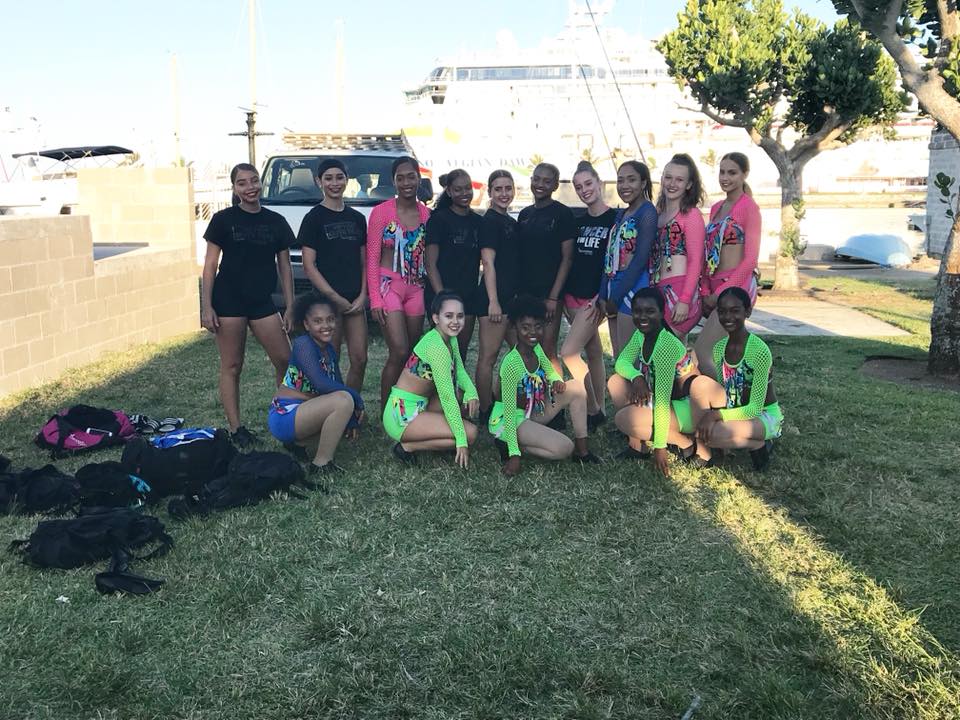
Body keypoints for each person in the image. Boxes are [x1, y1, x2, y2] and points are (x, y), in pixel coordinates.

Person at [201, 162, 295, 448]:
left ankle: (284, 417)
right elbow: (210, 265)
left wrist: (290, 306)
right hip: (228, 300)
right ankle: (236, 429)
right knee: (232, 365)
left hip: (261, 301)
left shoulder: (276, 221)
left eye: (254, 181)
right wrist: (206, 306)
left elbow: (285, 267)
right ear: (234, 188)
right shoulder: (222, 220)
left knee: (285, 360)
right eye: (242, 183)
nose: (250, 187)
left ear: (260, 183)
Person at [492, 295, 601, 476]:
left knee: (576, 386)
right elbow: (509, 412)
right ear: (514, 327)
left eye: (538, 326)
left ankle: (582, 450)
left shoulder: (536, 349)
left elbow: (550, 371)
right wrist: (514, 456)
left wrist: (556, 380)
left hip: (532, 410)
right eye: (525, 327)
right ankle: (510, 444)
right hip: (510, 420)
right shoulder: (511, 363)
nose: (532, 333)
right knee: (564, 448)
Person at [607, 288, 705, 476]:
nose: (643, 317)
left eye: (650, 311)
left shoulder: (665, 345)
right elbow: (622, 362)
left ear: (661, 313)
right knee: (616, 382)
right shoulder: (641, 334)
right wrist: (637, 377)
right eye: (637, 311)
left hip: (687, 408)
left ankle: (685, 442)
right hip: (668, 402)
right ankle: (638, 446)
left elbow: (662, 402)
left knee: (623, 419)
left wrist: (660, 448)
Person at [267, 293, 364, 476]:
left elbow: (336, 383)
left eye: (330, 319)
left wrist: (351, 418)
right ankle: (320, 465)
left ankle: (297, 444)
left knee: (345, 402)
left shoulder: (328, 350)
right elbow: (321, 384)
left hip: (306, 410)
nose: (325, 325)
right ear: (306, 324)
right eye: (317, 321)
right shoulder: (303, 344)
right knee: (343, 400)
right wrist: (356, 399)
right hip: (286, 415)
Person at [688, 286, 783, 471]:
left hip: (763, 415)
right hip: (737, 409)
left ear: (747, 312)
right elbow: (724, 390)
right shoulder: (719, 348)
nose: (728, 317)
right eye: (722, 311)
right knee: (702, 419)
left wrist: (715, 415)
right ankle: (711, 449)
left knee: (710, 433)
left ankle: (758, 444)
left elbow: (755, 408)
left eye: (735, 311)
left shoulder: (760, 352)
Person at [382, 291, 479, 468]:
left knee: (462, 398)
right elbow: (447, 396)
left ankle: (436, 434)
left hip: (422, 403)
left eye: (460, 316)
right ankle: (407, 446)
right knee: (470, 434)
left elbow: (459, 369)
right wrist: (461, 440)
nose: (455, 321)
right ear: (436, 318)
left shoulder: (449, 338)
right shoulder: (437, 347)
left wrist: (472, 392)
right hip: (401, 414)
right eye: (448, 316)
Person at [366, 156, 432, 409]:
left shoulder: (426, 214)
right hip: (388, 286)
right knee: (399, 350)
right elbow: (372, 258)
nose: (406, 183)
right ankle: (386, 412)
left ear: (419, 178)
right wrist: (375, 299)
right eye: (400, 178)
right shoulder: (381, 212)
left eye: (411, 177)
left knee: (412, 353)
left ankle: (406, 406)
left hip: (416, 288)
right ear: (393, 181)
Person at [298, 158, 368, 394]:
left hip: (355, 300)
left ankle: (352, 405)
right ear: (319, 181)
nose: (334, 183)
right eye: (328, 178)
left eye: (339, 177)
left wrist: (363, 295)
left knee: (360, 358)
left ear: (347, 180)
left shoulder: (357, 218)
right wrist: (334, 297)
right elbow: (309, 265)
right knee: (330, 359)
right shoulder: (313, 218)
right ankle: (332, 406)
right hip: (326, 301)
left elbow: (364, 262)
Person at [559, 161, 618, 429]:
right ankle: (600, 407)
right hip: (572, 295)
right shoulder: (578, 222)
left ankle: (593, 408)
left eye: (588, 184)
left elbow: (615, 262)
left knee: (569, 353)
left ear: (600, 184)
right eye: (579, 187)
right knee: (593, 350)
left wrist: (601, 296)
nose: (584, 190)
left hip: (594, 299)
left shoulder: (615, 219)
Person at [694, 152, 761, 378]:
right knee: (721, 354)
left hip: (735, 289)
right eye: (722, 172)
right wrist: (706, 291)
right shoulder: (716, 208)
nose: (725, 178)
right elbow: (707, 253)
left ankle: (723, 398)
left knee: (702, 352)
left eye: (732, 173)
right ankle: (732, 392)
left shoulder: (749, 208)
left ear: (744, 174)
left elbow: (750, 260)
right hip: (713, 288)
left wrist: (720, 294)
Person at [517, 162, 576, 371]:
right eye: (536, 179)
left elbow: (567, 258)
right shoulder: (524, 214)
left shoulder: (562, 214)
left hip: (549, 294)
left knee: (548, 351)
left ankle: (554, 391)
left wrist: (553, 297)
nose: (540, 184)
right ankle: (532, 390)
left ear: (555, 185)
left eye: (547, 181)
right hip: (525, 293)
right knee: (526, 349)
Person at [475, 169, 521, 420]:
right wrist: (493, 301)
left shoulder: (510, 222)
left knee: (520, 353)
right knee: (488, 357)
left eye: (508, 188)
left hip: (512, 299)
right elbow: (488, 263)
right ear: (490, 192)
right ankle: (485, 411)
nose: (504, 194)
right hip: (494, 300)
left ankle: (498, 396)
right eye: (498, 189)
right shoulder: (489, 222)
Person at [598, 160, 657, 357]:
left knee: (628, 358)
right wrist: (603, 293)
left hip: (633, 287)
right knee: (619, 356)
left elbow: (640, 259)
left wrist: (616, 297)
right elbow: (609, 254)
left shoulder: (647, 212)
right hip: (613, 285)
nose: (624, 185)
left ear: (643, 183)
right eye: (620, 180)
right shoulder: (622, 213)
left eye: (631, 180)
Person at [425, 168, 484, 359]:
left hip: (468, 296)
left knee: (460, 353)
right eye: (458, 189)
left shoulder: (478, 222)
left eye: (468, 188)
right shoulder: (438, 220)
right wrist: (442, 298)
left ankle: (459, 380)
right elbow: (430, 264)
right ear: (449, 192)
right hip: (441, 294)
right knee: (441, 354)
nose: (464, 193)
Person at [651, 153, 706, 340]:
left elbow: (696, 261)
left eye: (679, 180)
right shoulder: (658, 213)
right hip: (658, 290)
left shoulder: (691, 215)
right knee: (673, 353)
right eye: (668, 177)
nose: (672, 184)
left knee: (662, 347)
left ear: (689, 184)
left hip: (680, 291)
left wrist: (684, 300)